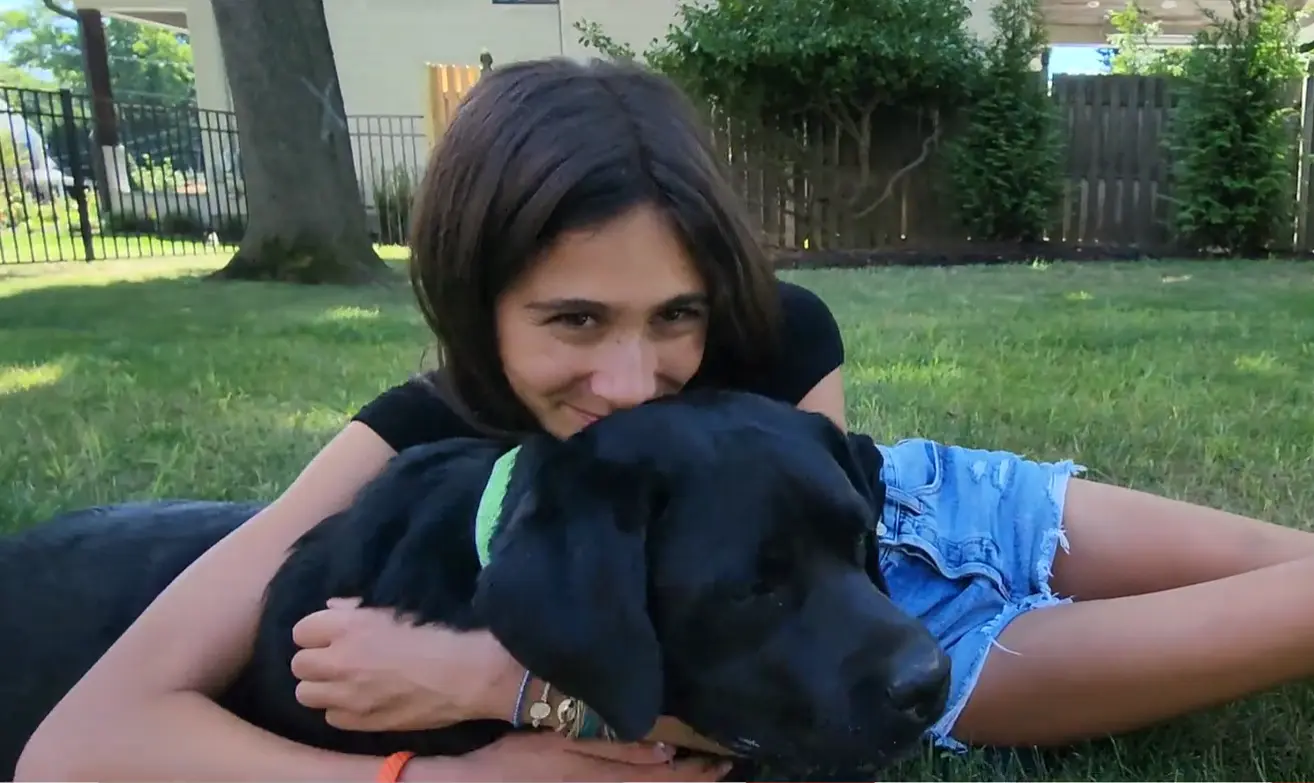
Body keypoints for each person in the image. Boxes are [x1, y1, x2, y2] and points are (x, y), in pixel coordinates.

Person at [17, 56, 1314, 783]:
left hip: (901, 526)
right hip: (900, 650)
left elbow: (821, 566)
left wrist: (508, 688)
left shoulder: (784, 338)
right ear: (479, 309)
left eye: (677, 317)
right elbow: (85, 744)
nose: (635, 380)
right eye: (573, 322)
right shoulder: (421, 424)